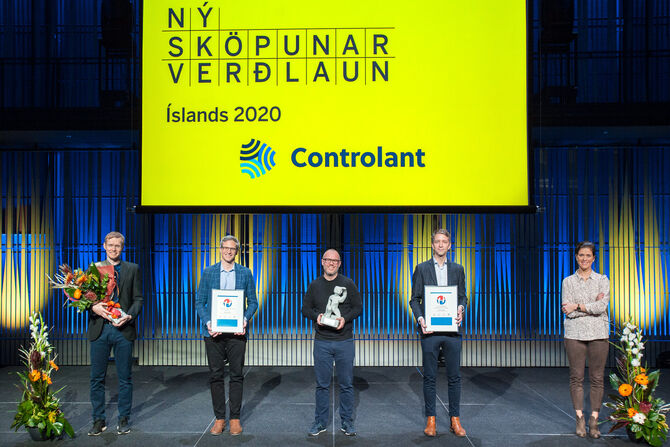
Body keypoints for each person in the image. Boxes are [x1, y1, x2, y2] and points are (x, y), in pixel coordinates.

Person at [195, 235, 258, 436]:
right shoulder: (209, 272)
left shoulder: (245, 273)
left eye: (233, 248)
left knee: (237, 375)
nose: (229, 251)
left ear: (237, 251)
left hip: (237, 333)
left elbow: (253, 302)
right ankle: (220, 418)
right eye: (226, 248)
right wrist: (209, 323)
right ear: (221, 249)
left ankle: (235, 418)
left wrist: (244, 319)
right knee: (216, 375)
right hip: (213, 332)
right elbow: (199, 302)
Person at [409, 228, 467, 438]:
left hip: (452, 331)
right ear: (432, 245)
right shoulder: (422, 268)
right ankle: (431, 420)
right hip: (430, 331)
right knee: (430, 377)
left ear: (449, 245)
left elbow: (462, 297)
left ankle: (455, 420)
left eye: (444, 241)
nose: (441, 245)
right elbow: (414, 299)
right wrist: (421, 319)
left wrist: (460, 308)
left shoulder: (458, 269)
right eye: (437, 241)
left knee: (454, 377)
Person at [301, 249, 363, 437]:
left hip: (344, 341)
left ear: (339, 263)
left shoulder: (348, 284)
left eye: (335, 261)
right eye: (328, 260)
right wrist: (317, 316)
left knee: (346, 384)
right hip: (322, 342)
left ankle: (347, 422)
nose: (331, 263)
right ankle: (320, 422)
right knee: (322, 385)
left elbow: (358, 308)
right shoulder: (314, 285)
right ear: (322, 262)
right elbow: (305, 309)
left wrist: (345, 318)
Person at [88, 231, 143, 436]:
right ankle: (98, 420)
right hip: (100, 329)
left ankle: (123, 418)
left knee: (125, 378)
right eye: (110, 245)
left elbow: (138, 299)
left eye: (117, 245)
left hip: (123, 329)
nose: (113, 249)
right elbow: (86, 299)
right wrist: (93, 307)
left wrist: (130, 316)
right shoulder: (94, 269)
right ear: (104, 246)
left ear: (122, 247)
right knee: (96, 378)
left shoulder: (132, 269)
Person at [561, 241, 610, 438]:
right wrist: (590, 306)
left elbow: (601, 307)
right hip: (574, 333)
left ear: (594, 258)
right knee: (576, 377)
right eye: (581, 255)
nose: (584, 259)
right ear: (576, 257)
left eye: (588, 255)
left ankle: (594, 421)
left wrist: (578, 306)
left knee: (597, 378)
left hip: (599, 333)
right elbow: (568, 311)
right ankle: (580, 418)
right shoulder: (568, 281)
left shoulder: (602, 280)